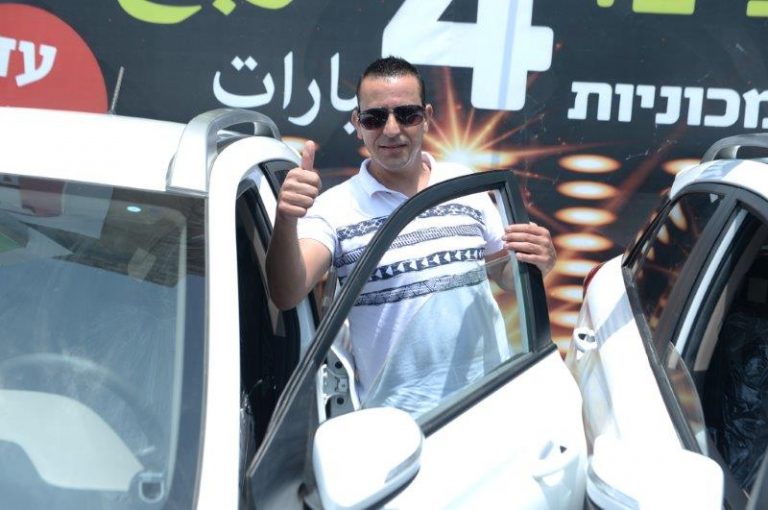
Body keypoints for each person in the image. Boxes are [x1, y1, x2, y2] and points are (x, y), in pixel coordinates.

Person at [266, 56, 556, 413]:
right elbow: (287, 291)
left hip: (486, 409)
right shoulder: (334, 208)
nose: (391, 130)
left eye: (406, 115)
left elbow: (504, 274)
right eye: (375, 118)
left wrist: (536, 261)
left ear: (427, 118)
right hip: (397, 425)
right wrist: (286, 219)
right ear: (357, 123)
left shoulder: (464, 184)